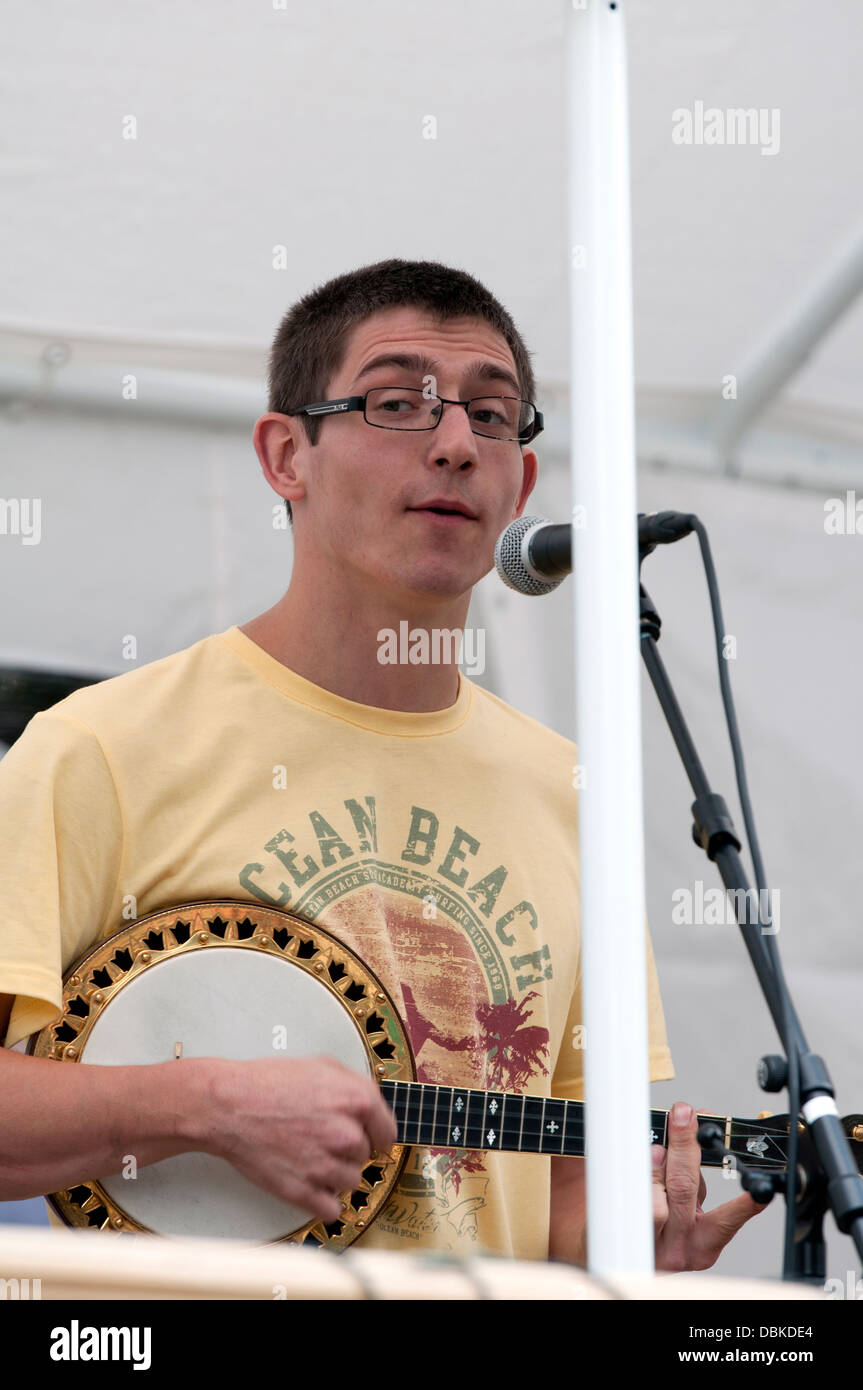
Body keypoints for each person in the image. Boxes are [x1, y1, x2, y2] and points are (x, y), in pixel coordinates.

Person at [0, 258, 764, 1268]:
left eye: (492, 416)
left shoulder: (576, 794)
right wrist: (201, 1101)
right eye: (397, 403)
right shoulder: (98, 749)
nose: (455, 444)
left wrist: (636, 1243)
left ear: (523, 483)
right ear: (286, 455)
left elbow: (560, 1190)